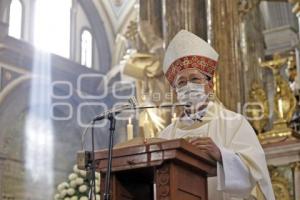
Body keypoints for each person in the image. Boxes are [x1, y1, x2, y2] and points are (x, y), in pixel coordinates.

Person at [159, 30, 275, 200]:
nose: (188, 86)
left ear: (210, 85)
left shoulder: (234, 123)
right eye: (181, 83)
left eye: (195, 79)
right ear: (176, 93)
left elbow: (256, 174)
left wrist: (221, 155)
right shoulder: (166, 136)